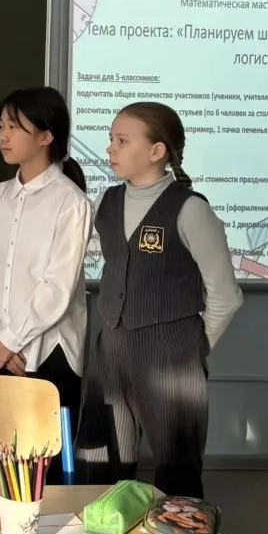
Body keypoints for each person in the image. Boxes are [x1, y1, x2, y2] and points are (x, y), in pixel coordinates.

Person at [74, 101, 242, 500]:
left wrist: (192, 350)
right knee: (99, 464)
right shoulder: (107, 203)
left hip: (170, 358)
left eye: (122, 140)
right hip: (111, 351)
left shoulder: (190, 209)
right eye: (111, 139)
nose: (110, 148)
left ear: (156, 151)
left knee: (176, 473)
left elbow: (225, 295)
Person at [0, 87, 91, 484]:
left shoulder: (70, 202)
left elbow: (58, 286)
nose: (3, 136)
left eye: (14, 127)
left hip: (49, 352)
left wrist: (12, 339)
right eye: (1, 126)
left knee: (41, 475)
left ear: (46, 136)